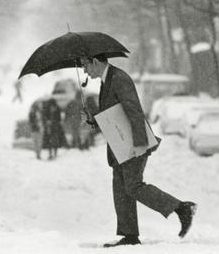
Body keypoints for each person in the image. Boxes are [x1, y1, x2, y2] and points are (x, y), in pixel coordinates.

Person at [79, 54, 196, 247]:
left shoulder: (119, 78)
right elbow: (113, 116)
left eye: (85, 65)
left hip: (132, 142)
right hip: (120, 144)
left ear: (96, 62)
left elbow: (133, 110)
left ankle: (181, 208)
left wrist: (140, 142)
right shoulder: (107, 81)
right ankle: (130, 235)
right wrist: (92, 120)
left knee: (133, 186)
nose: (84, 70)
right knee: (120, 189)